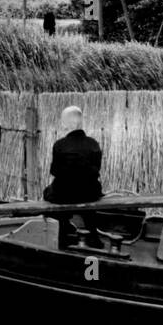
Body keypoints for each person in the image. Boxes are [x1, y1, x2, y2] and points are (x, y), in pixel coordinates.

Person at [44, 105, 103, 248]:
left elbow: (54, 171)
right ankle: (94, 237)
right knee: (87, 191)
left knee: (49, 192)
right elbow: (96, 169)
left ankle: (62, 233)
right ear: (80, 122)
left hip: (64, 194)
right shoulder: (93, 144)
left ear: (65, 123)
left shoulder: (59, 145)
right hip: (89, 193)